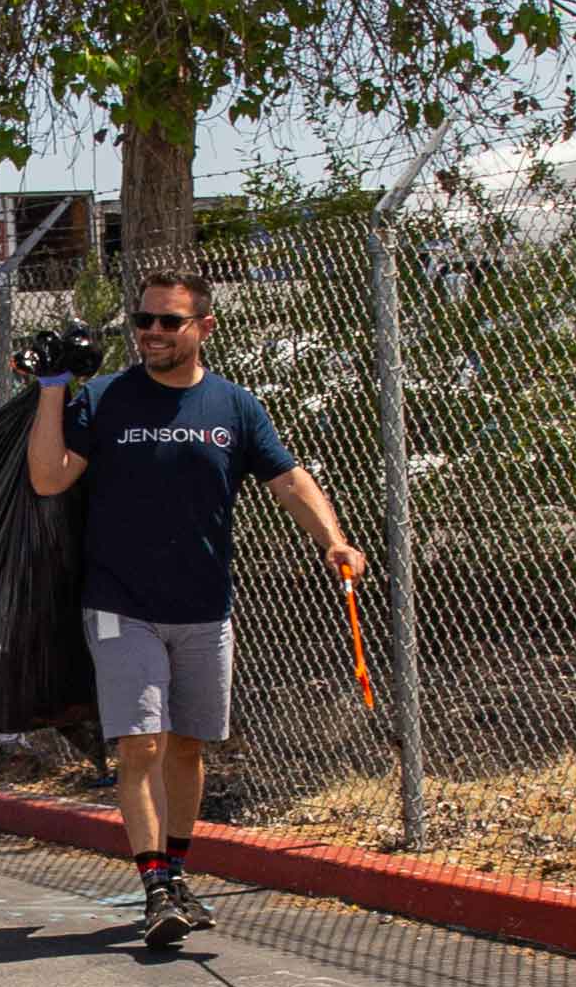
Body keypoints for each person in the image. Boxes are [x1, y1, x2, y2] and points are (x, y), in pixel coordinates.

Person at [25, 273, 365, 948]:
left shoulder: (233, 406)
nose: (149, 332)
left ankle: (176, 874)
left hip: (204, 605)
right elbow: (47, 476)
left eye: (167, 322)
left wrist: (332, 539)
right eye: (141, 320)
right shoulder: (105, 398)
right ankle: (155, 886)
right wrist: (52, 390)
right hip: (119, 603)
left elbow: (288, 479)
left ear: (202, 329)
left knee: (187, 745)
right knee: (141, 742)